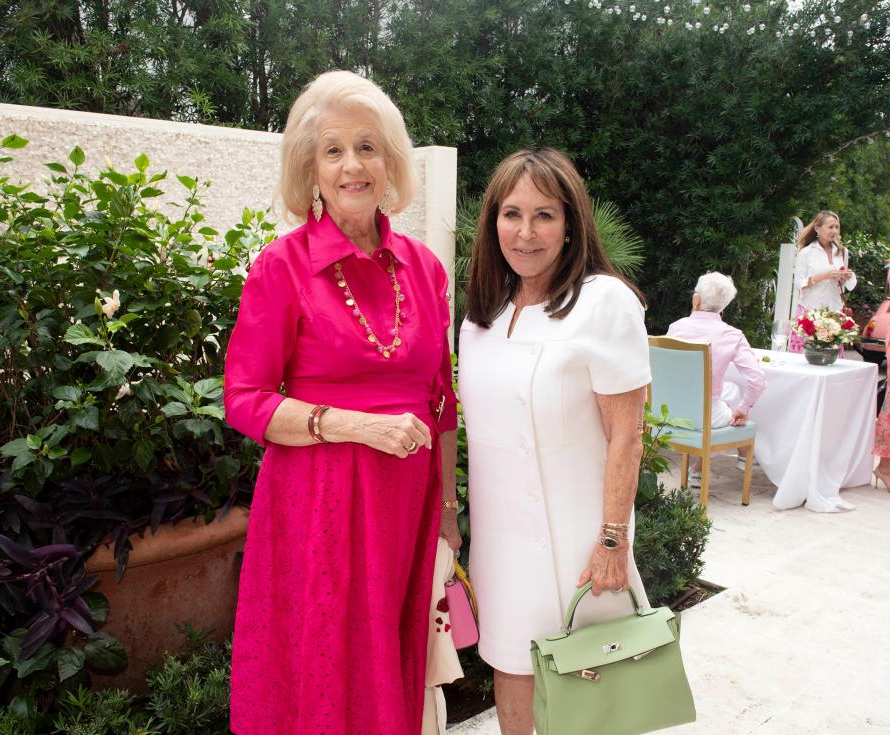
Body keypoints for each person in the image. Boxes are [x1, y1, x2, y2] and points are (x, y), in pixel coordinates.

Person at [224, 70, 460, 735]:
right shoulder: (283, 266)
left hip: (405, 507)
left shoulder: (424, 267)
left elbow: (441, 400)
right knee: (320, 673)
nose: (352, 164)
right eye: (333, 150)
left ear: (390, 161)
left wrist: (447, 513)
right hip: (317, 504)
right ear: (312, 168)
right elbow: (243, 400)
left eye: (367, 146)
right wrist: (352, 425)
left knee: (394, 668)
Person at [458, 148, 651, 735]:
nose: (526, 231)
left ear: (571, 226)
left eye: (544, 215)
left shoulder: (604, 302)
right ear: (493, 223)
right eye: (511, 213)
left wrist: (613, 540)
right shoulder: (481, 316)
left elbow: (627, 434)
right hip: (501, 536)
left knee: (589, 696)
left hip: (580, 539)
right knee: (511, 664)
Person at [666, 272, 767, 485]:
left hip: (669, 412)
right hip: (704, 418)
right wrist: (744, 408)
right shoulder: (732, 334)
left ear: (696, 299)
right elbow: (757, 380)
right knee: (735, 409)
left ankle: (700, 469)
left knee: (730, 390)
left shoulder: (676, 327)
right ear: (724, 307)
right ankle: (740, 453)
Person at [789, 210, 855, 352]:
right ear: (817, 228)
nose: (835, 231)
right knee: (806, 357)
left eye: (837, 227)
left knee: (832, 359)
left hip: (834, 313)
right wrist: (826, 275)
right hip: (810, 312)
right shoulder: (806, 253)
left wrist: (844, 277)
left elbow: (844, 286)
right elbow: (798, 283)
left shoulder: (842, 252)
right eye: (830, 227)